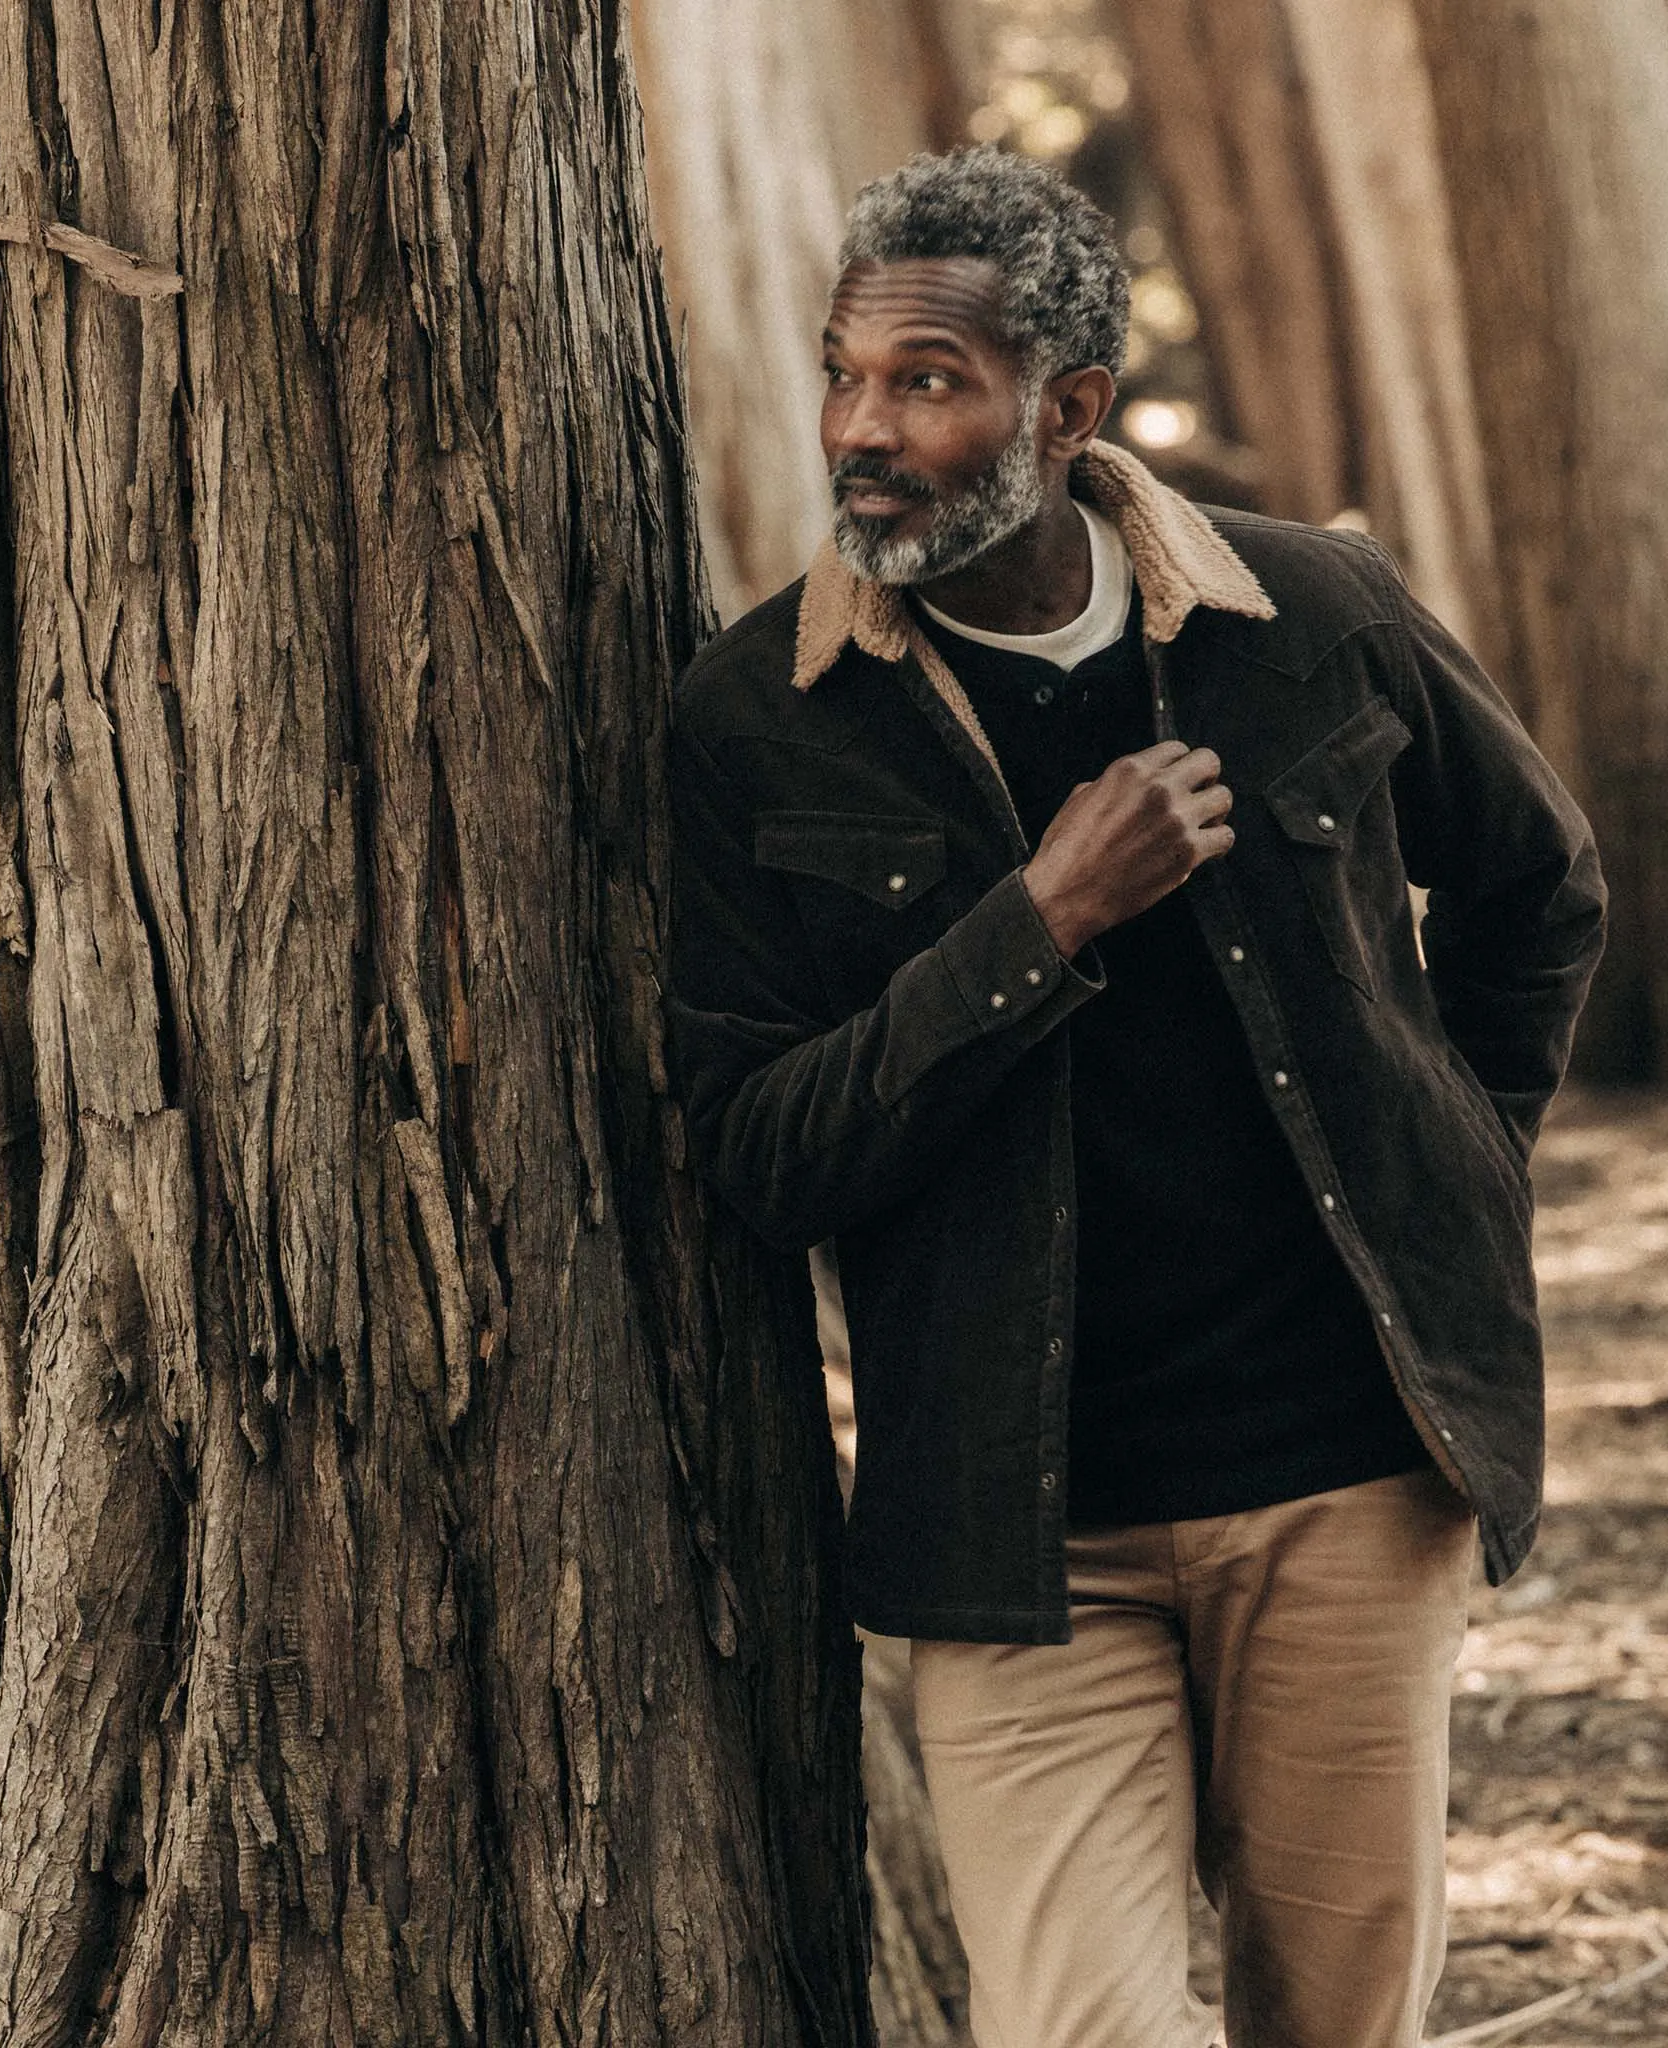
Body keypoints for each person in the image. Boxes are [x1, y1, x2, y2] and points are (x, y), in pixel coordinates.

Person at [668, 146, 1605, 2048]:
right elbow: (760, 1150)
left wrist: (1462, 1167)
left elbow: (1538, 891)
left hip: (1348, 1482)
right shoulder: (760, 716)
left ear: (1068, 409)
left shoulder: (1313, 611)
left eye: (927, 383)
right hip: (1023, 1535)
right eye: (846, 374)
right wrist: (1038, 922)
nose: (865, 429)